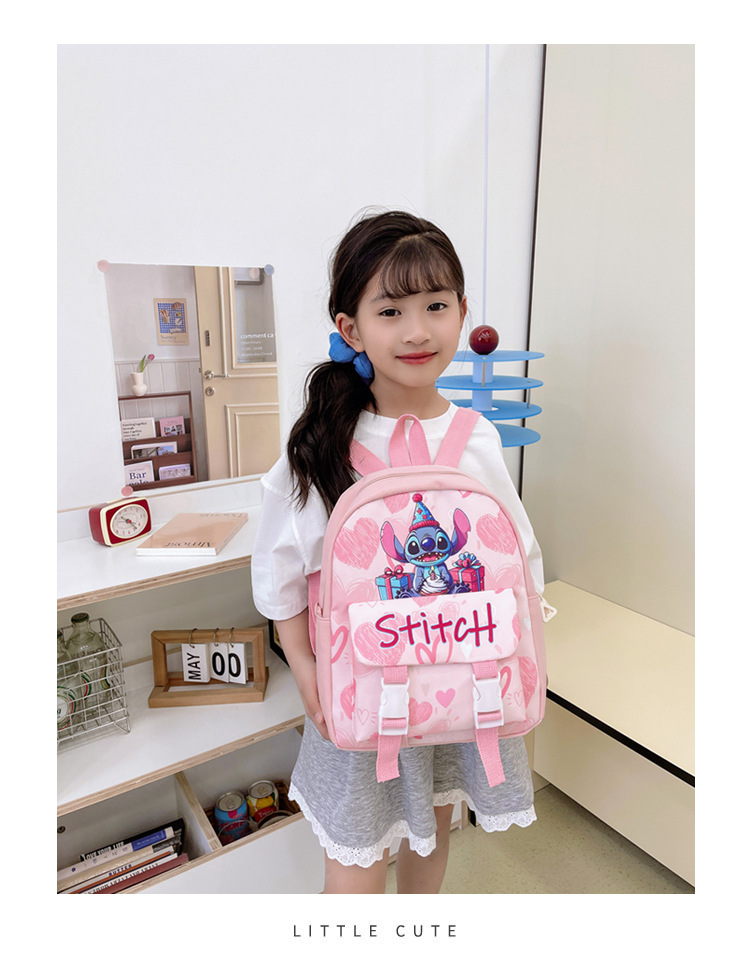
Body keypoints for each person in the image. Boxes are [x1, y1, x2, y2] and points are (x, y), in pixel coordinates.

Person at [251, 209, 545, 894]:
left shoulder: (476, 436)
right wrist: (304, 669)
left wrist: (525, 665)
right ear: (351, 328)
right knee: (354, 865)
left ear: (463, 311)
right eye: (390, 311)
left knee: (434, 830)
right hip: (361, 687)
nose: (417, 331)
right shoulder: (323, 442)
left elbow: (517, 561)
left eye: (436, 306)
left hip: (463, 683)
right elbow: (280, 572)